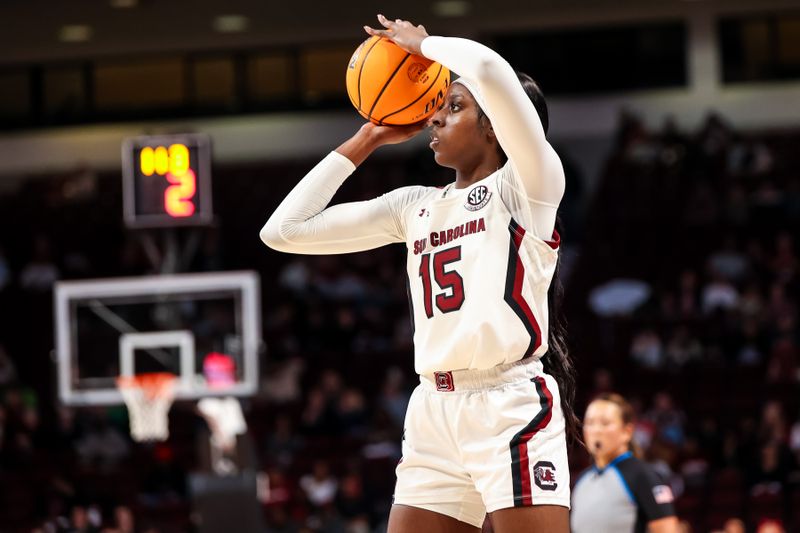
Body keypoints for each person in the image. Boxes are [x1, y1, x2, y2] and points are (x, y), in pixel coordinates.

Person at [261, 14, 578, 532]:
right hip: (433, 407)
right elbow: (284, 230)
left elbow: (491, 70)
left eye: (453, 107)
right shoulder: (415, 206)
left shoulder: (529, 188)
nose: (434, 117)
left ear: (496, 125)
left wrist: (424, 44)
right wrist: (367, 138)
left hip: (507, 405)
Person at [571, 393, 679, 533]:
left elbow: (667, 528)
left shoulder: (642, 475)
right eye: (590, 423)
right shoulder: (582, 480)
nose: (596, 430)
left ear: (627, 431)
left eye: (605, 423)